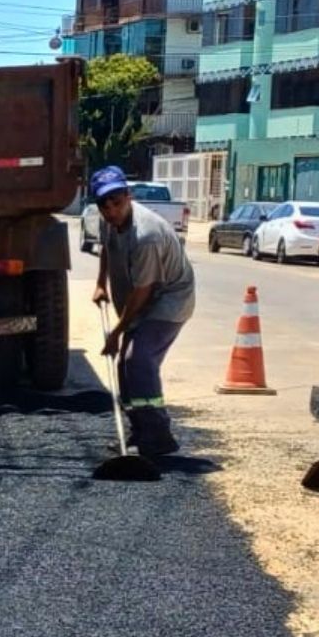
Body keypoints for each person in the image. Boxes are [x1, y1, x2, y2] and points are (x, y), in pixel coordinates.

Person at [91, 165, 195, 458]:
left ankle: (159, 435)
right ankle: (139, 431)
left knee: (139, 359)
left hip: (169, 299)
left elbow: (143, 292)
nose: (111, 210)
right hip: (142, 300)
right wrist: (101, 283)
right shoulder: (107, 221)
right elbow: (107, 249)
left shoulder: (146, 235)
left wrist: (116, 332)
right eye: (104, 204)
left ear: (129, 195)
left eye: (117, 201)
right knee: (125, 365)